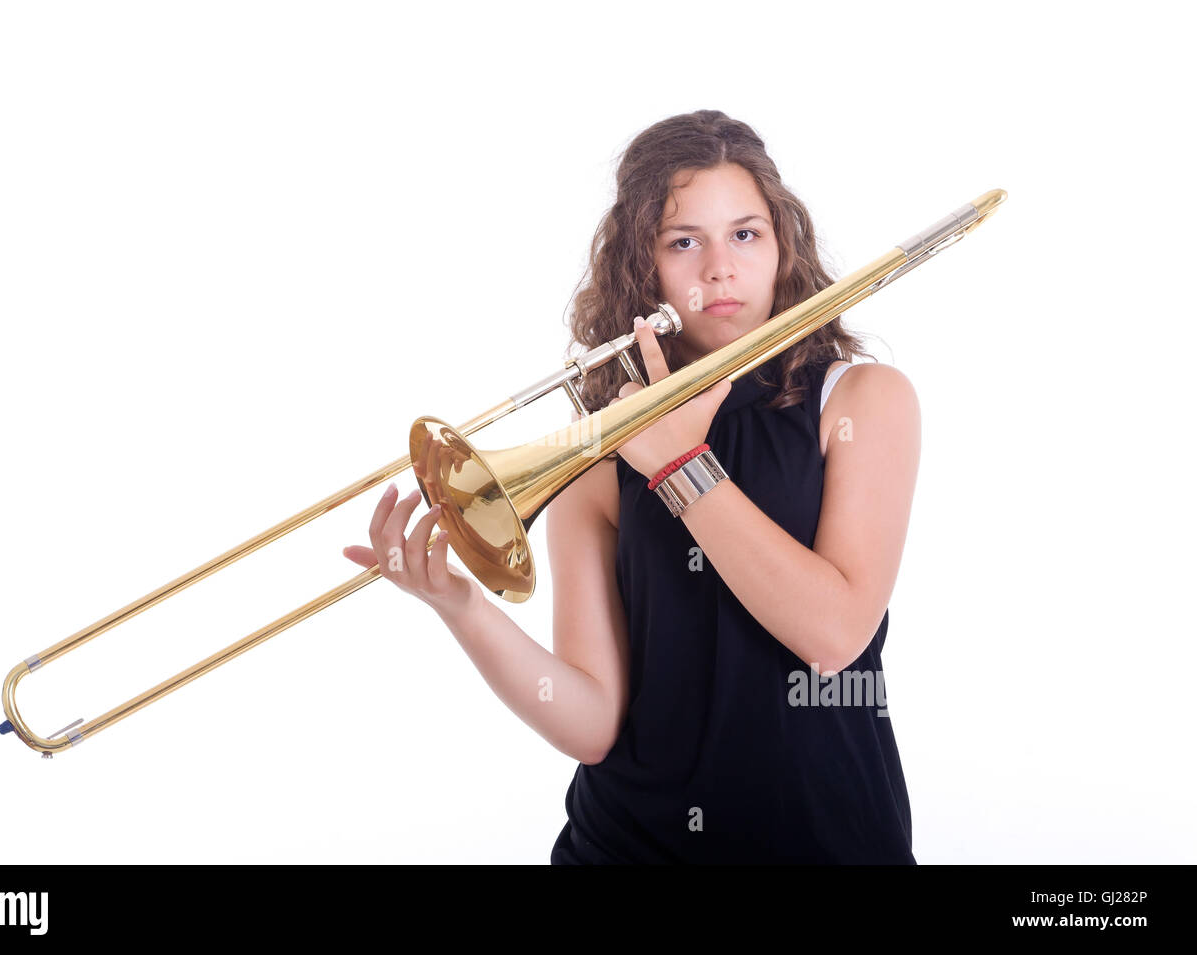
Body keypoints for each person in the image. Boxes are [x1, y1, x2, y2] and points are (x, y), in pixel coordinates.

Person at [342, 109, 921, 864]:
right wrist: (461, 607)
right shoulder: (598, 450)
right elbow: (591, 722)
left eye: (746, 233)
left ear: (782, 245)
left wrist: (684, 470)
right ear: (642, 267)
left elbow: (835, 635)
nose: (720, 267)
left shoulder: (861, 401)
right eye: (685, 242)